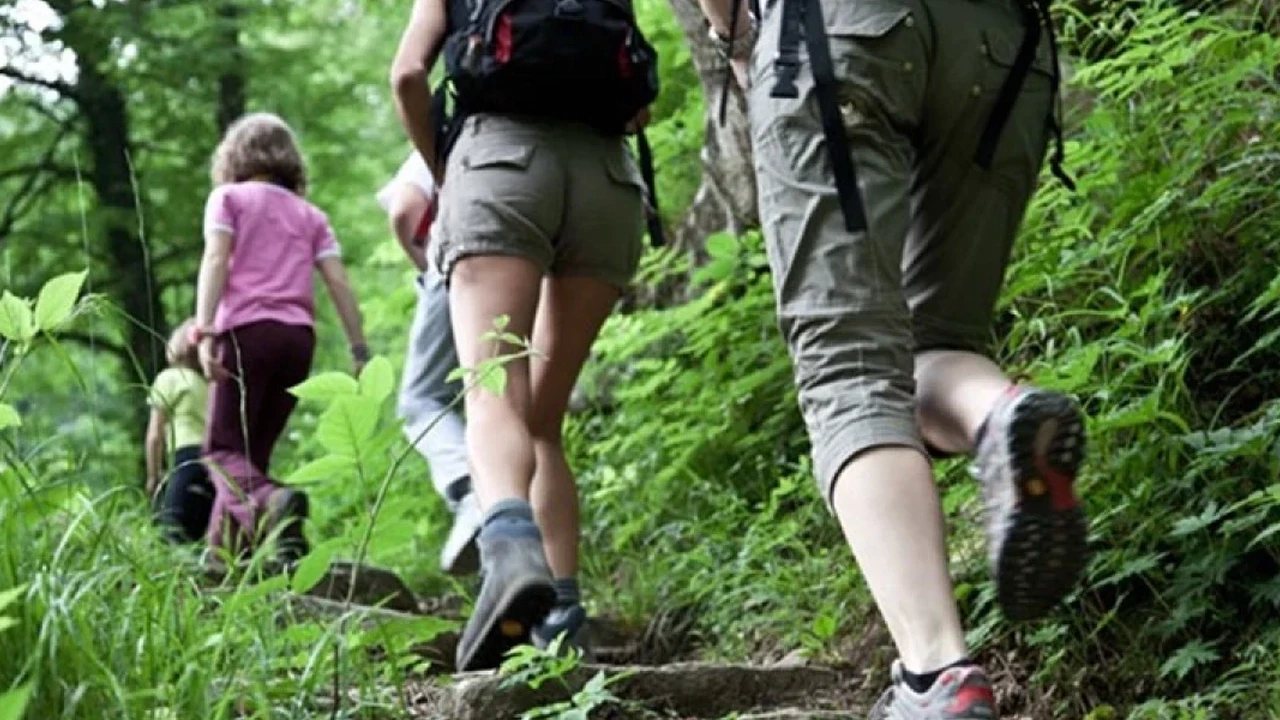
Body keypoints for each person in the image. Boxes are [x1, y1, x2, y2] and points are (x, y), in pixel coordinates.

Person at [693, 0, 1089, 717]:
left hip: (842, 31)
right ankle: (998, 415)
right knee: (938, 340)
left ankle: (936, 673)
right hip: (1004, 45)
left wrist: (733, 35)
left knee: (848, 366)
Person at [390, 0, 656, 671]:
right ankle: (563, 613)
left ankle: (509, 545)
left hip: (500, 165)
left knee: (493, 392)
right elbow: (637, 103)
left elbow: (408, 78)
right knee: (542, 419)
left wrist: (446, 171)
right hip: (607, 183)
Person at [192, 112, 370, 565]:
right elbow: (339, 283)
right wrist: (358, 348)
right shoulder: (311, 216)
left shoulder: (228, 197)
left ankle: (274, 504)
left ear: (234, 156)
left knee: (220, 451)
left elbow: (216, 258)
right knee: (249, 460)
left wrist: (204, 327)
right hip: (297, 341)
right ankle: (222, 562)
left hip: (245, 334)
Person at [376, 151, 482, 576]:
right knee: (506, 399)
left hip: (460, 256)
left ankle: (472, 490)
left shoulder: (447, 133)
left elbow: (405, 210)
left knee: (422, 400)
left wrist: (427, 267)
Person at [145, 318, 214, 544]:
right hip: (214, 464)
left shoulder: (169, 378)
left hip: (186, 459)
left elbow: (155, 435)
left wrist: (153, 476)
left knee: (171, 534)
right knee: (197, 534)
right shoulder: (208, 386)